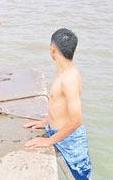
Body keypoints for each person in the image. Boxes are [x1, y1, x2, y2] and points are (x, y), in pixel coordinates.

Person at [24, 28, 92, 180]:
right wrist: (47, 122)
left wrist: (48, 141)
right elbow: (61, 105)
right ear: (75, 49)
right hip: (58, 131)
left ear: (52, 48)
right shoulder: (63, 72)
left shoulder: (69, 79)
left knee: (81, 177)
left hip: (70, 140)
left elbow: (76, 120)